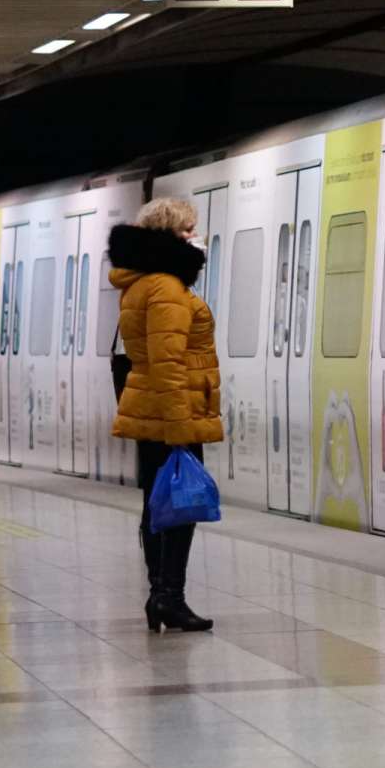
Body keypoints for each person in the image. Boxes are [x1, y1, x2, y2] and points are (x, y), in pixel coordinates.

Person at [107, 199, 223, 633]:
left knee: (159, 504)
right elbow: (168, 362)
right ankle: (168, 597)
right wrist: (180, 427)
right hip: (170, 413)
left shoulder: (146, 282)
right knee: (180, 505)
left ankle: (161, 595)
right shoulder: (166, 287)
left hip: (154, 408)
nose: (195, 237)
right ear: (166, 236)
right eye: (186, 231)